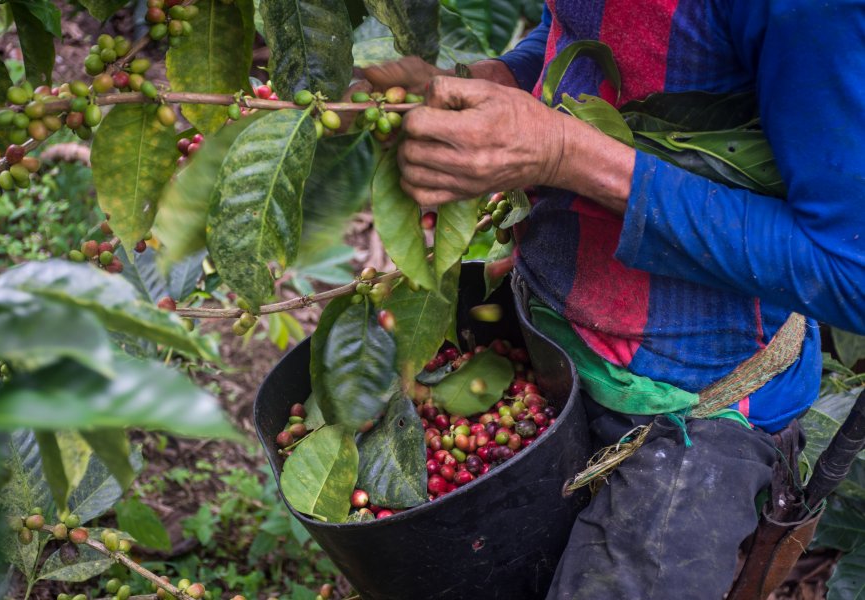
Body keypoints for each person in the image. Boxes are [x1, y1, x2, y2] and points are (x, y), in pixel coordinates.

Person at [357, 1, 865, 598]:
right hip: (548, 342)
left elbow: (849, 273)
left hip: (693, 409)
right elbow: (589, 31)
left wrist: (563, 154)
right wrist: (500, 80)